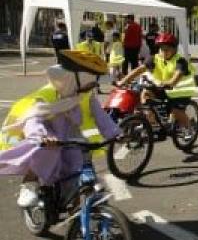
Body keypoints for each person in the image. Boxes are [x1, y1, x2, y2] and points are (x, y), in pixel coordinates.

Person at [0, 50, 120, 207]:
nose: (94, 85)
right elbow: (33, 120)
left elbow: (101, 116)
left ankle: (79, 208)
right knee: (46, 150)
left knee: (81, 168)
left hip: (71, 138)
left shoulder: (84, 94)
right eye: (91, 81)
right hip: (49, 140)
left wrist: (116, 133)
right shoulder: (47, 95)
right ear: (76, 79)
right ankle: (30, 182)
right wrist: (43, 136)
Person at [118, 33, 196, 135]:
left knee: (176, 110)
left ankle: (188, 129)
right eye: (161, 49)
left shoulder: (180, 61)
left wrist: (167, 84)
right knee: (145, 94)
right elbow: (139, 70)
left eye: (167, 49)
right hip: (164, 87)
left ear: (174, 49)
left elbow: (174, 80)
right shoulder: (154, 58)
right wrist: (123, 81)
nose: (163, 52)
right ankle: (152, 123)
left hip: (181, 90)